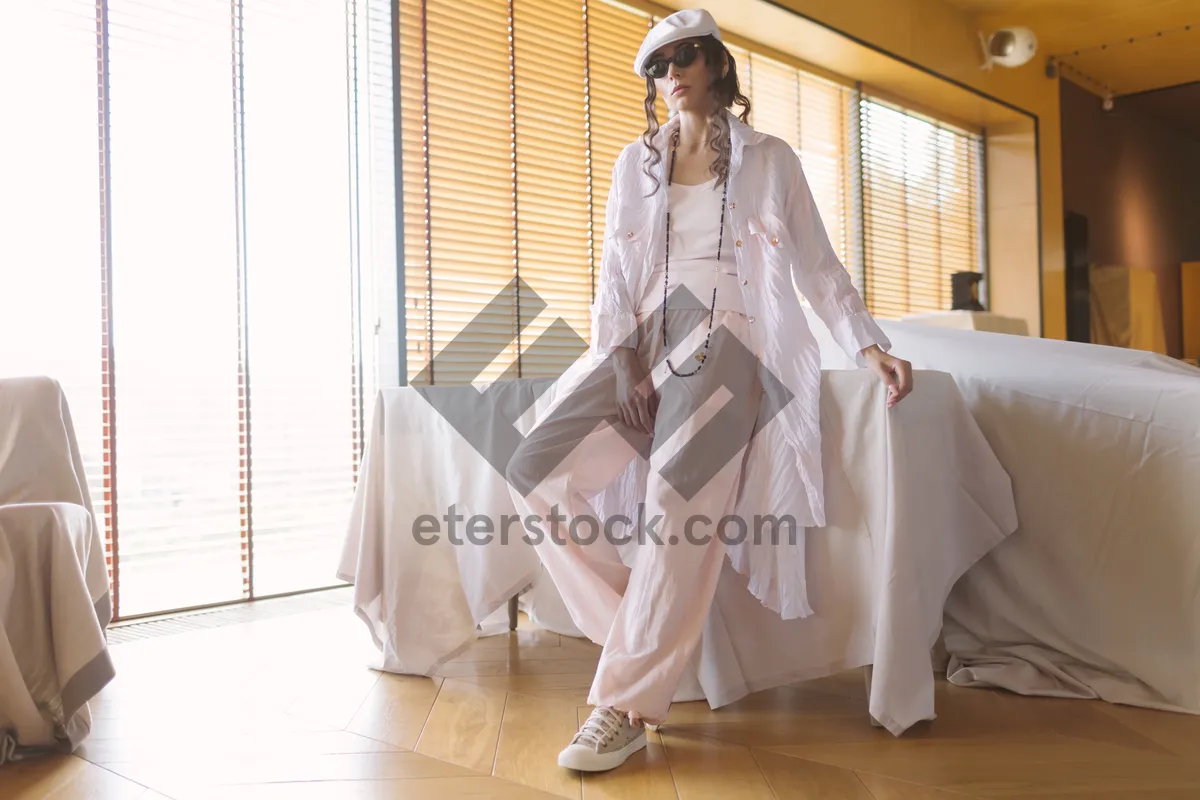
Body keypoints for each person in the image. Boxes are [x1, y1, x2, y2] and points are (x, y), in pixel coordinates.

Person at [504, 8, 912, 773]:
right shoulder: (638, 162)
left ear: (718, 64)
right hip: (648, 336)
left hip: (731, 338)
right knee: (533, 471)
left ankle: (623, 704)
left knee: (675, 502)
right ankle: (649, 633)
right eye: (657, 66)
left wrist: (867, 344)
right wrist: (623, 361)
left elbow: (816, 267)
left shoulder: (771, 158)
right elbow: (616, 275)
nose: (671, 73)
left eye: (686, 56)